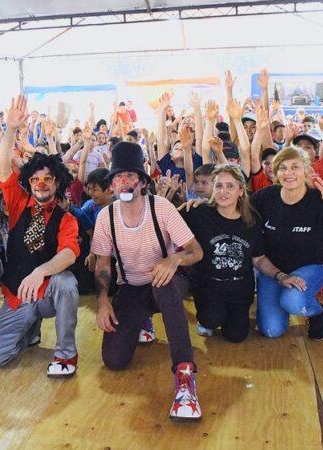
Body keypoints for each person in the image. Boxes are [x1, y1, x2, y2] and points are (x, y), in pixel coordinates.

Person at [92, 141, 204, 420]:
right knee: (114, 361)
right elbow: (103, 263)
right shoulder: (106, 217)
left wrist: (174, 259)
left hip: (167, 281)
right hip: (132, 287)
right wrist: (103, 300)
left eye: (130, 176)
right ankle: (142, 319)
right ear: (112, 186)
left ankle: (185, 377)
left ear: (142, 182)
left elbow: (196, 251)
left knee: (163, 283)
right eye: (118, 177)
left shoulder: (162, 208)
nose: (124, 182)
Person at [0, 95, 81, 378]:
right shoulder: (17, 203)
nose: (40, 184)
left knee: (66, 283)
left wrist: (41, 272)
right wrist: (10, 129)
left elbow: (69, 252)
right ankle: (30, 330)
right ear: (29, 182)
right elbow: (3, 170)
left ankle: (66, 354)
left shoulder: (67, 219)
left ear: (57, 183)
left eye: (47, 179)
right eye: (35, 179)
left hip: (47, 293)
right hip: (18, 294)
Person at [251, 146, 323, 340]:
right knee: (271, 330)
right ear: (275, 173)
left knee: (293, 301)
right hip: (272, 270)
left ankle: (316, 311)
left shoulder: (319, 199)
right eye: (283, 167)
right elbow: (236, 212)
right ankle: (283, 299)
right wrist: (202, 204)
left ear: (306, 170)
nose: (289, 173)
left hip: (312, 266)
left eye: (295, 167)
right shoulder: (265, 197)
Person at [180, 164, 291, 343]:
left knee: (236, 336)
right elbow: (166, 221)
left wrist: (280, 275)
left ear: (241, 190)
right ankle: (210, 317)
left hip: (239, 288)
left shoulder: (252, 220)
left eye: (230, 186)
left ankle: (228, 315)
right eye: (218, 186)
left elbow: (259, 258)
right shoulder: (197, 212)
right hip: (208, 285)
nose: (224, 191)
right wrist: (166, 194)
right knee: (211, 319)